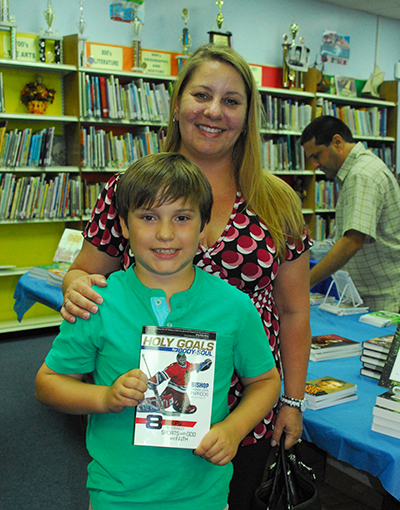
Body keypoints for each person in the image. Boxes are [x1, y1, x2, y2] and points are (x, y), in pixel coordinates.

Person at [61, 44, 312, 509]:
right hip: (144, 405)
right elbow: (84, 275)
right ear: (177, 105)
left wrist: (291, 403)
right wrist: (74, 288)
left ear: (247, 115)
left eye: (231, 101)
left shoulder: (277, 200)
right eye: (201, 95)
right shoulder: (131, 186)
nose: (214, 111)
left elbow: (295, 310)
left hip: (243, 406)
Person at [36, 152, 281, 510]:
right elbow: (48, 383)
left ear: (203, 226)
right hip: (117, 495)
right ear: (122, 225)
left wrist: (234, 429)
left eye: (182, 218)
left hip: (204, 495)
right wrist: (104, 398)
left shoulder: (234, 307)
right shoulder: (98, 302)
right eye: (148, 217)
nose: (165, 233)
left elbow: (265, 381)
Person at [301, 115, 400, 312]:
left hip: (384, 300)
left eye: (316, 155)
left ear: (337, 142)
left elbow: (352, 241)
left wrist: (304, 284)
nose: (314, 165)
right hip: (369, 296)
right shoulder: (354, 173)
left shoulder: (361, 175)